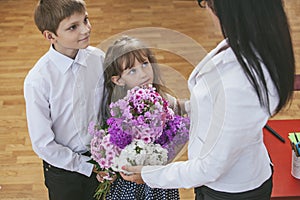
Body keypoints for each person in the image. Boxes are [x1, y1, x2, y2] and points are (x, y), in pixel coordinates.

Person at [121, 0, 295, 199]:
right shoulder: (244, 43)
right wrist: (181, 106)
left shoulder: (243, 85)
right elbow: (219, 107)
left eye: (212, 7)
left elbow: (210, 168)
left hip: (231, 189)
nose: (210, 15)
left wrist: (149, 174)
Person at [23, 0, 105, 199]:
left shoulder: (99, 59)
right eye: (73, 27)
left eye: (85, 20)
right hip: (63, 170)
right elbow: (43, 143)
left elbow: (106, 107)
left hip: (102, 161)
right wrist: (85, 166)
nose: (85, 30)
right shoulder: (38, 80)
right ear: (50, 36)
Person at [100, 35, 181, 199]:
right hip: (128, 180)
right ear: (118, 80)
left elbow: (178, 130)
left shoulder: (163, 98)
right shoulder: (116, 108)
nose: (144, 74)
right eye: (132, 71)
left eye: (145, 64)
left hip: (158, 177)